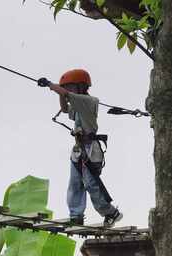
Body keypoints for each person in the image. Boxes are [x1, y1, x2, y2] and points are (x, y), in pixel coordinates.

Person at [38, 69, 122, 227]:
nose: (68, 90)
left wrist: (50, 85)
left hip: (91, 149)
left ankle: (110, 212)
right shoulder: (78, 104)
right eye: (66, 87)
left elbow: (66, 95)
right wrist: (59, 93)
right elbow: (64, 109)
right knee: (75, 183)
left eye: (70, 87)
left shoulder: (88, 102)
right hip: (79, 148)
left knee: (91, 184)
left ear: (81, 87)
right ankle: (76, 215)